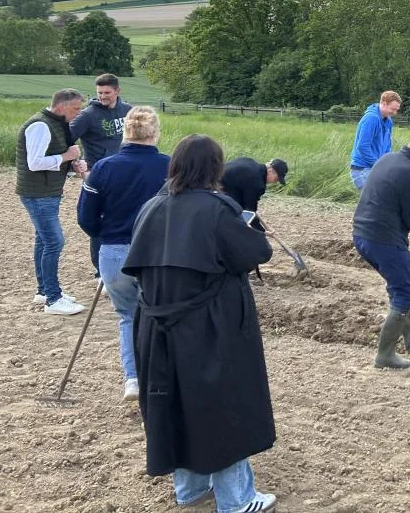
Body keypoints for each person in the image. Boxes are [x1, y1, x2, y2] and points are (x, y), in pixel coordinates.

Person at [123, 134, 277, 513]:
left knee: (176, 402)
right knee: (223, 405)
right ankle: (237, 500)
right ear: (214, 169)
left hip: (155, 327)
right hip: (210, 327)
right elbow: (258, 252)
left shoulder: (151, 208)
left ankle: (190, 489)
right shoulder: (216, 210)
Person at [76, 106, 169, 401]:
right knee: (162, 317)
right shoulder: (171, 167)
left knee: (127, 316)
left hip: (115, 253)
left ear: (125, 131)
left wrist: (105, 235)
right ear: (155, 133)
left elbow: (86, 218)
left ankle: (133, 378)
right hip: (158, 253)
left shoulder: (104, 167)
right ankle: (161, 379)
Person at [353, 131, 410, 370]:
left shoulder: (387, 159)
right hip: (384, 240)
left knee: (397, 283)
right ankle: (385, 355)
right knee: (403, 290)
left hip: (361, 235)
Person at [17, 88, 87, 315]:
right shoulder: (40, 125)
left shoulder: (55, 124)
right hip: (39, 194)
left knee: (43, 240)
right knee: (54, 242)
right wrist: (66, 157)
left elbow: (52, 157)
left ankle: (44, 291)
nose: (78, 113)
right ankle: (53, 300)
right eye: (76, 108)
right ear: (62, 105)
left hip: (47, 192)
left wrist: (70, 165)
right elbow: (35, 163)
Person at [70, 73, 133, 276]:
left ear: (117, 91)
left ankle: (127, 264)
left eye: (107, 92)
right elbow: (65, 137)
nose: (103, 96)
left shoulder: (128, 111)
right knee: (100, 221)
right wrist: (75, 162)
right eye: (100, 93)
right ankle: (101, 272)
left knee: (126, 217)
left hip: (125, 173)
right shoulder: (88, 115)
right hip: (100, 173)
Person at [349, 90, 401, 189]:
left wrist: (386, 163)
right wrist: (378, 164)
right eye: (393, 109)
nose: (395, 113)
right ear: (384, 104)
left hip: (375, 168)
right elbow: (362, 146)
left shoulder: (388, 120)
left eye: (396, 110)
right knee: (376, 201)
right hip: (362, 169)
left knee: (384, 199)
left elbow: (387, 145)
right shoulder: (371, 119)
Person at [221, 157, 289, 218]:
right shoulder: (257, 183)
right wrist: (261, 231)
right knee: (240, 211)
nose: (276, 182)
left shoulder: (249, 161)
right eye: (276, 179)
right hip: (218, 188)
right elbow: (250, 211)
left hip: (214, 177)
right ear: (270, 170)